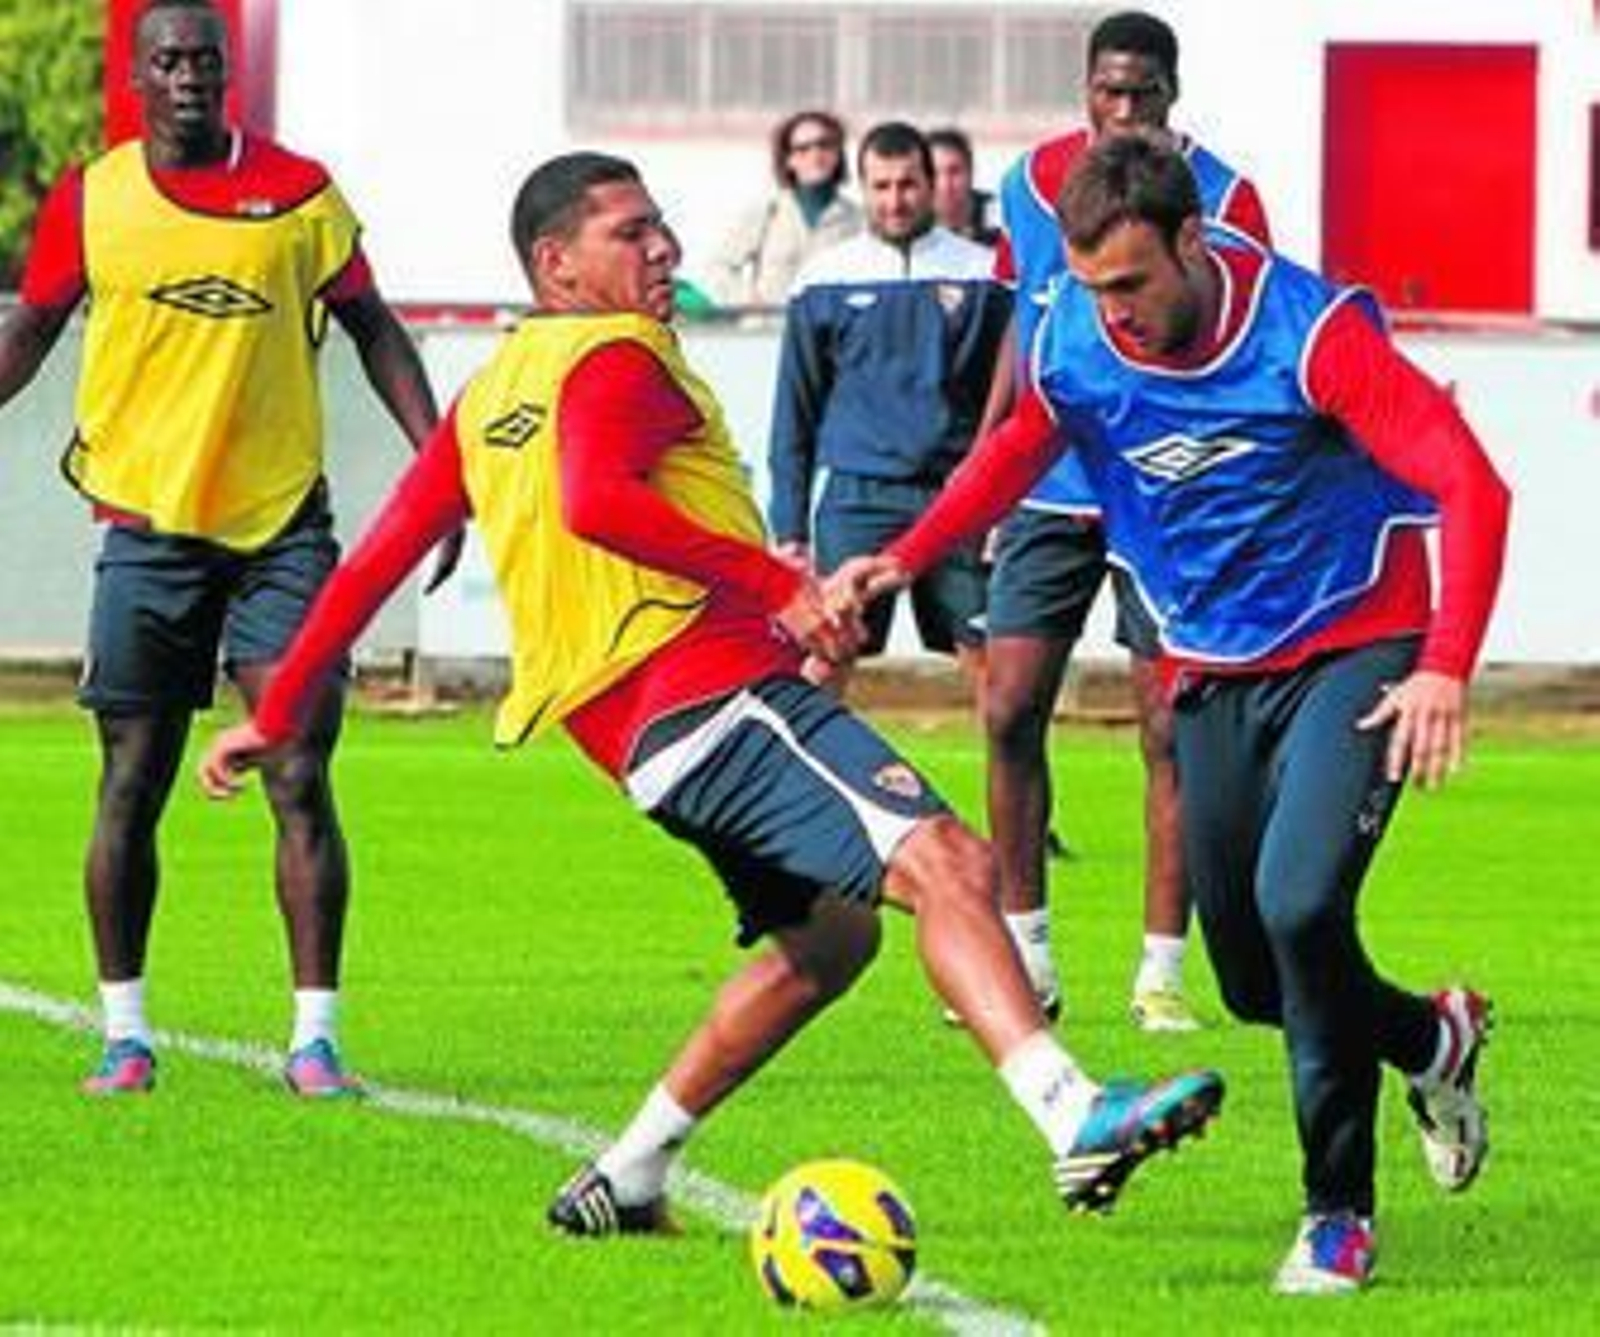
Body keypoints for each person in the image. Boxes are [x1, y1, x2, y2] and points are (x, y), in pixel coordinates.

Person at [196, 150, 1224, 1233]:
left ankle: (630, 1172)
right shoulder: (620, 355)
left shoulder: (493, 390)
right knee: (954, 863)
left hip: (637, 735)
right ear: (557, 265)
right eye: (631, 234)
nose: (664, 251)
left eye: (659, 228)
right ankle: (1072, 1117)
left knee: (829, 943)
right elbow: (593, 503)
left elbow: (376, 559)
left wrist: (275, 709)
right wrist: (779, 578)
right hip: (712, 692)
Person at [835, 133, 1509, 1294]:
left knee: (1300, 908)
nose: (1116, 314)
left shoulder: (1308, 334)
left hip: (1358, 644)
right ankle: (1428, 1038)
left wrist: (1444, 663)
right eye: (1092, 289)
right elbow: (1011, 451)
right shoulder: (1078, 339)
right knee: (1253, 981)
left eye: (1133, 284)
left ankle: (1335, 1213)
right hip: (1210, 665)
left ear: (1192, 243)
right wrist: (902, 557)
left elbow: (1470, 482)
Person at [0, 0, 457, 1098]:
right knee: (132, 782)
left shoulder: (298, 194)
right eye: (170, 62)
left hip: (280, 533)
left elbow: (375, 325)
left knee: (299, 767)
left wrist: (444, 471)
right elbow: (28, 329)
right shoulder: (93, 201)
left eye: (209, 60)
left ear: (229, 76)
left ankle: (316, 1040)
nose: (193, 77)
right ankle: (125, 1034)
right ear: (139, 84)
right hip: (146, 534)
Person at [979, 9, 1273, 1031]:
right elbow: (1024, 330)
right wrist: (987, 466)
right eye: (1106, 91)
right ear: (1084, 91)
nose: (1122, 111)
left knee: (1166, 730)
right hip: (1049, 486)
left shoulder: (1227, 197)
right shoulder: (1028, 184)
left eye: (1141, 93)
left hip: (1165, 492)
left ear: (1171, 94)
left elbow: (1248, 351)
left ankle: (1159, 971)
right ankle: (1027, 957)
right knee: (1008, 706)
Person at [766, 122, 1010, 702]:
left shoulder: (984, 274)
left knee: (992, 672)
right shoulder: (824, 277)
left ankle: (1006, 797)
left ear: (932, 185)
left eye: (907, 184)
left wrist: (1003, 504)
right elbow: (794, 411)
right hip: (857, 495)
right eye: (880, 186)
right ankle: (802, 790)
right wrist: (789, 528)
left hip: (959, 497)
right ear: (863, 187)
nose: (894, 200)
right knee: (827, 658)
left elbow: (1009, 406)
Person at [704, 110, 863, 310]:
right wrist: (747, 299)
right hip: (769, 333)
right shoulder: (767, 212)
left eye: (824, 144)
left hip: (832, 336)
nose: (816, 154)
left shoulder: (858, 220)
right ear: (789, 159)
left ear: (838, 153)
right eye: (803, 148)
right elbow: (718, 268)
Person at [927, 127, 1000, 247]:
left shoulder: (1001, 217)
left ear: (971, 172)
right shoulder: (910, 224)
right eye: (934, 173)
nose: (945, 185)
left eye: (954, 172)